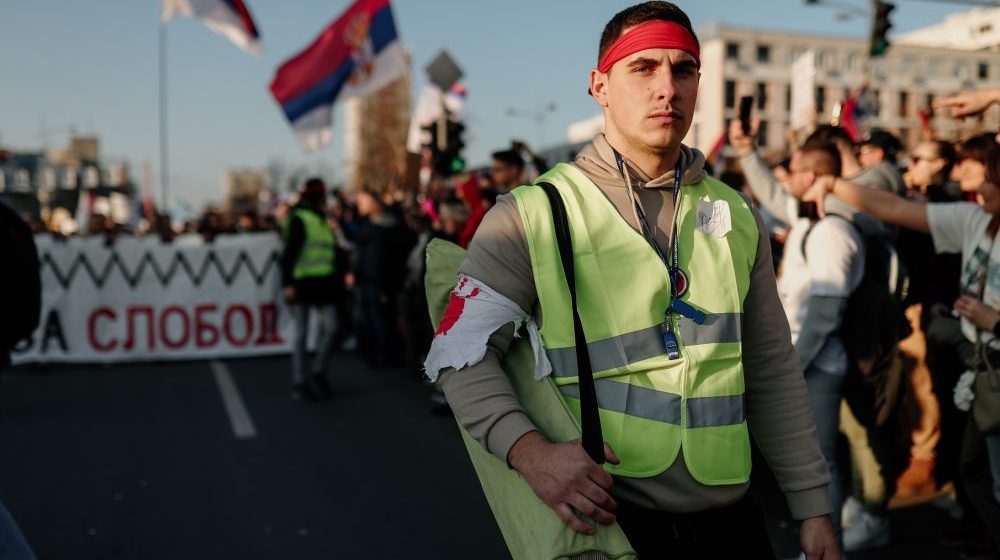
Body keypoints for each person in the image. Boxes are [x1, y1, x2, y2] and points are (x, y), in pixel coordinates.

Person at [426, 3, 839, 558]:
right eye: (643, 68)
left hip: (733, 523)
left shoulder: (736, 212)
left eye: (683, 69)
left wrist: (813, 508)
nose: (667, 88)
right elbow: (458, 353)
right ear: (599, 85)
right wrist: (531, 453)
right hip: (609, 524)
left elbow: (772, 368)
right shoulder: (532, 213)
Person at [805, 138, 1000, 558]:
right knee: (976, 469)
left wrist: (995, 320)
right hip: (979, 368)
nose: (981, 188)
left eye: (992, 182)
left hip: (991, 363)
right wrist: (834, 183)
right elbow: (895, 210)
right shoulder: (973, 219)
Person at [733, 132, 865, 548]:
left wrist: (790, 366)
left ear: (810, 176)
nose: (784, 179)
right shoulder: (809, 222)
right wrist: (746, 151)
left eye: (791, 172)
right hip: (802, 360)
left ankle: (829, 545)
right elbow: (772, 196)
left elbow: (825, 316)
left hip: (816, 366)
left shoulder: (832, 234)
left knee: (820, 461)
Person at [281, 178, 338, 402]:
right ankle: (300, 382)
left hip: (323, 284)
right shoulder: (300, 219)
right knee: (301, 335)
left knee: (333, 329)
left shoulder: (320, 218)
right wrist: (288, 284)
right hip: (303, 284)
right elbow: (289, 254)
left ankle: (317, 371)